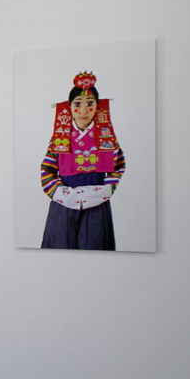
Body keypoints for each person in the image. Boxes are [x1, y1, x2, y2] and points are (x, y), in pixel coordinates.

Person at [40, 72, 126, 250]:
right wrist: (61, 193)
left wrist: (104, 190)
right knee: (60, 251)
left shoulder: (106, 136)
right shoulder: (60, 136)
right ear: (69, 106)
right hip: (63, 204)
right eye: (78, 104)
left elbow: (118, 166)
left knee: (95, 251)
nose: (84, 111)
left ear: (98, 106)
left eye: (90, 103)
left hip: (97, 204)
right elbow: (47, 169)